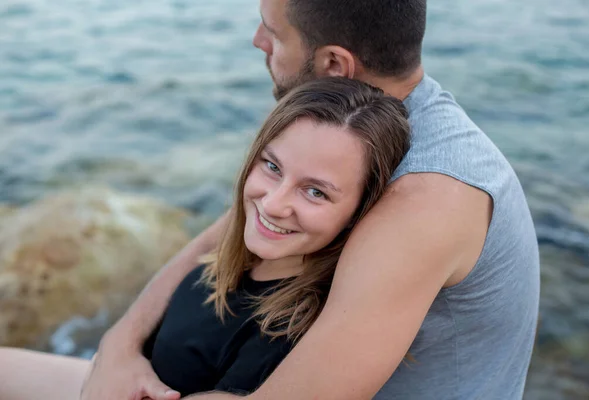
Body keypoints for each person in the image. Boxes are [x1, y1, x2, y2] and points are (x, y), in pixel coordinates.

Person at [2, 0, 541, 399]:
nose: (258, 41)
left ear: (334, 63)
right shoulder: (351, 119)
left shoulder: (425, 196)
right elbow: (220, 236)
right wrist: (119, 349)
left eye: (275, 32)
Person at [0, 78, 411, 399]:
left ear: (358, 212)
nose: (274, 203)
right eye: (271, 166)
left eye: (315, 191)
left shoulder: (291, 333)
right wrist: (117, 353)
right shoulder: (241, 248)